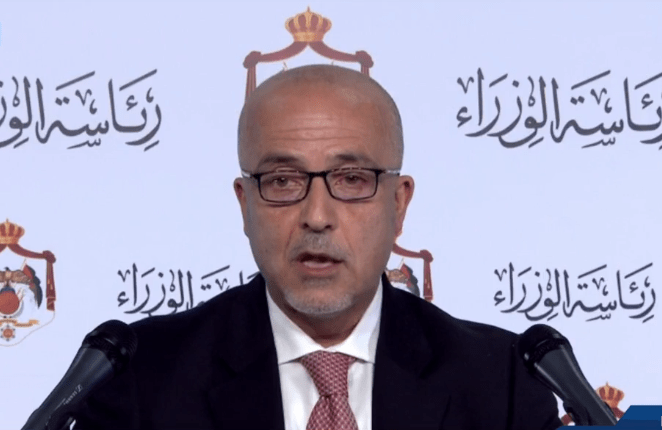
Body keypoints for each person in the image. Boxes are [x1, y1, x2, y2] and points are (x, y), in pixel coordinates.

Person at [73, 65, 562, 430]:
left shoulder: (500, 384)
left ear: (399, 203)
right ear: (245, 205)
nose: (317, 215)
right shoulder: (141, 380)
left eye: (351, 179)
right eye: (283, 181)